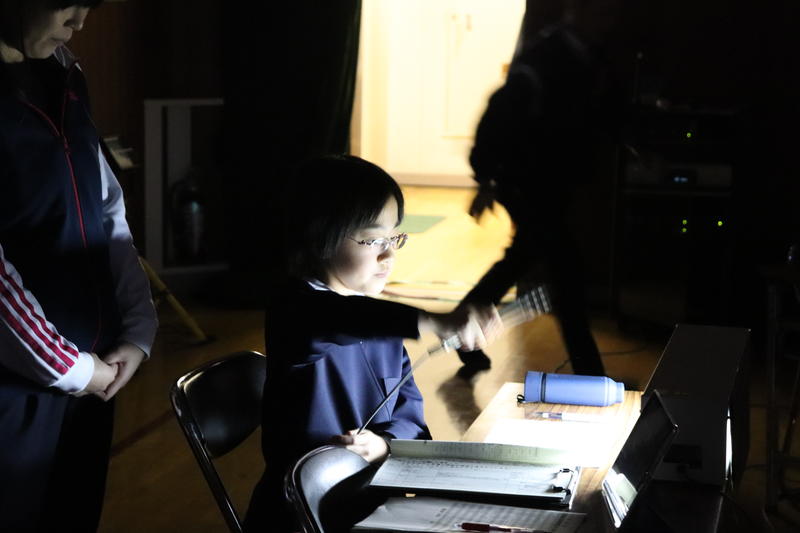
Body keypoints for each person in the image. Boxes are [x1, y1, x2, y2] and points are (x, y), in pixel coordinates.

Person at [244, 155, 501, 532]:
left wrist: (384, 444)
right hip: (305, 515)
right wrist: (432, 318)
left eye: (394, 237)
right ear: (321, 236)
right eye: (372, 239)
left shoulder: (380, 326)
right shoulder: (296, 309)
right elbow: (338, 317)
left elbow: (412, 420)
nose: (389, 254)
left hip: (371, 502)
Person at [0, 2, 158, 531]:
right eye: (68, 2)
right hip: (22, 386)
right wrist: (73, 370)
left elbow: (106, 205)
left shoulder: (64, 71)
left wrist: (137, 327)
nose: (81, 22)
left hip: (94, 373)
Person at [455, 0, 622, 376]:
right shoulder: (545, 56)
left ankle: (460, 330)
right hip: (527, 181)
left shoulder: (587, 56)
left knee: (523, 260)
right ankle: (589, 371)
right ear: (576, 11)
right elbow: (499, 116)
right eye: (602, 12)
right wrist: (486, 178)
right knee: (566, 272)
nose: (607, 20)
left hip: (549, 181)